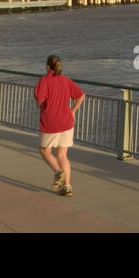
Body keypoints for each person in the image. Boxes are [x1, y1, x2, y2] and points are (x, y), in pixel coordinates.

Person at [33, 55, 84, 197]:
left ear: (47, 66)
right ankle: (67, 186)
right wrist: (73, 111)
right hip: (66, 122)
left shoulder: (44, 80)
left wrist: (41, 103)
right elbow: (81, 95)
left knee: (44, 150)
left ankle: (57, 171)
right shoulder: (66, 80)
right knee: (62, 155)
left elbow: (39, 101)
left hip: (50, 122)